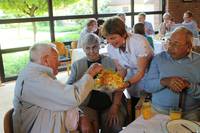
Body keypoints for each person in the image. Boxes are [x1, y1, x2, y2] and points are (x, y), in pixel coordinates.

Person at [12, 43, 103, 133]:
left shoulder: (37, 73)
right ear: (45, 60)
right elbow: (73, 97)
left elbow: (61, 96)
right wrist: (90, 73)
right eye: (56, 59)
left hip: (44, 122)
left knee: (88, 118)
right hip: (35, 127)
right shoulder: (33, 78)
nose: (59, 63)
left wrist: (80, 115)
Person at [67, 33, 127, 133]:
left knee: (114, 125)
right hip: (87, 105)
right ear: (83, 49)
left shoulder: (111, 61)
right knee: (85, 127)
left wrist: (115, 106)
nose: (91, 51)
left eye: (94, 47)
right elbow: (69, 89)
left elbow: (120, 85)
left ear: (99, 46)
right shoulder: (77, 65)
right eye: (87, 48)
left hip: (110, 102)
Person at [102, 17, 154, 119]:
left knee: (147, 110)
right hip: (133, 76)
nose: (110, 42)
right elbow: (122, 70)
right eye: (107, 38)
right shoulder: (111, 48)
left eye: (113, 38)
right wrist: (115, 82)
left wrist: (126, 83)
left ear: (124, 34)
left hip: (150, 74)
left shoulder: (138, 42)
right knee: (135, 106)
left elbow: (141, 72)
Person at [144, 27, 200, 121]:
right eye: (170, 42)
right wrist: (164, 82)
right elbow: (148, 86)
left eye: (176, 44)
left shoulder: (198, 61)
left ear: (188, 47)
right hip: (159, 111)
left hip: (189, 114)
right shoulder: (158, 59)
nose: (170, 47)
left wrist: (189, 86)